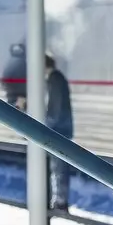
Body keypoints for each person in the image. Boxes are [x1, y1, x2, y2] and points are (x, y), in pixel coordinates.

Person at [44, 54, 75, 210]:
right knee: (57, 168)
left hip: (58, 132)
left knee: (59, 169)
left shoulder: (54, 79)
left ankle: (60, 201)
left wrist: (45, 126)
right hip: (60, 129)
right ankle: (58, 200)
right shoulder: (56, 78)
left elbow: (54, 109)